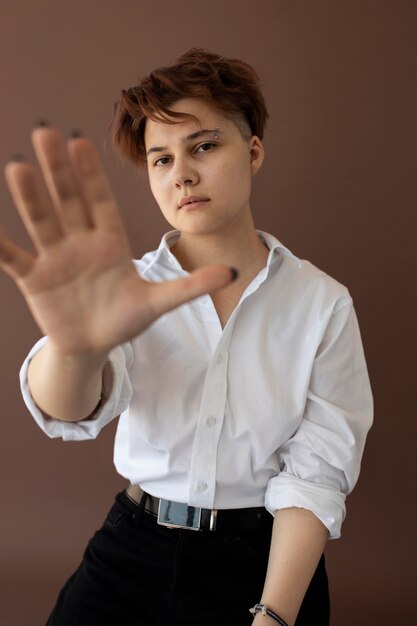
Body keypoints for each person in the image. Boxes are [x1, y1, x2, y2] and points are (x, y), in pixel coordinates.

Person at [0, 48, 373, 626]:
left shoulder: (322, 303)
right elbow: (72, 411)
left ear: (252, 152)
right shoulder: (126, 289)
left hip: (264, 561)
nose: (182, 175)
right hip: (133, 546)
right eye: (160, 159)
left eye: (203, 146)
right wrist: (75, 347)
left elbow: (315, 478)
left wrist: (272, 615)